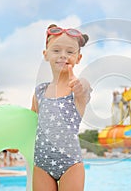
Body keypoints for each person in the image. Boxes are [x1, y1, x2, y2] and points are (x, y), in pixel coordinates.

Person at [31, 24, 91, 191]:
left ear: (78, 58)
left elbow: (84, 87)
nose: (63, 55)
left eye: (70, 52)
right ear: (46, 55)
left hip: (70, 165)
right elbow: (31, 124)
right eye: (56, 50)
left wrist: (80, 85)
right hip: (42, 164)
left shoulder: (77, 89)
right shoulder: (40, 91)